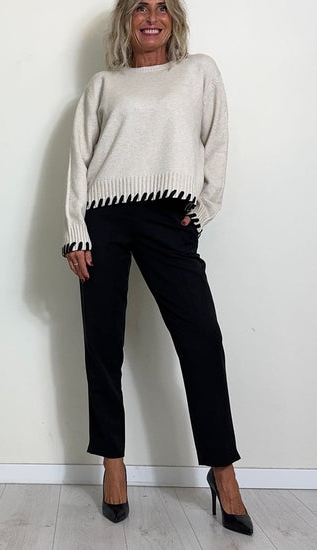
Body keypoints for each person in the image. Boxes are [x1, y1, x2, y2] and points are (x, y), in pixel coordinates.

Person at [62, 0, 253, 534]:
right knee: (103, 344)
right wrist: (75, 231)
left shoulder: (198, 71)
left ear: (174, 19)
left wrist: (204, 207)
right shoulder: (103, 84)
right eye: (140, 7)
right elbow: (79, 160)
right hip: (104, 219)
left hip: (170, 218)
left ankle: (223, 470)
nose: (152, 16)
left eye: (162, 6)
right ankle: (113, 462)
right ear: (126, 20)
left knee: (202, 342)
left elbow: (216, 143)